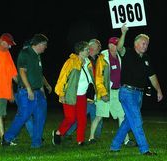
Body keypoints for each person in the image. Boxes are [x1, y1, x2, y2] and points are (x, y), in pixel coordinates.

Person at [110, 25, 163, 155]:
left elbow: (152, 76)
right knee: (137, 120)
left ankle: (115, 145)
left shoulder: (146, 59)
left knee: (129, 122)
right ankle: (144, 149)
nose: (146, 46)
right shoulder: (127, 52)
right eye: (143, 43)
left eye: (147, 44)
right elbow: (119, 48)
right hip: (127, 92)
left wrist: (159, 90)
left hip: (139, 94)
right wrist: (123, 33)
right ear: (136, 43)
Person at [52, 41, 107, 146]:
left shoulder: (87, 62)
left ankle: (80, 141)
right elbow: (62, 78)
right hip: (70, 95)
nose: (89, 51)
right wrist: (61, 94)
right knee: (71, 118)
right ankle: (58, 133)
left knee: (82, 119)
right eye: (87, 49)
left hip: (82, 96)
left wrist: (101, 91)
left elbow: (94, 79)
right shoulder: (70, 62)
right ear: (81, 51)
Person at [88, 31, 136, 146]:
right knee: (99, 116)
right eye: (113, 44)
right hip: (106, 92)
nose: (114, 46)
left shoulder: (120, 56)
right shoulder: (103, 57)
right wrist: (103, 93)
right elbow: (98, 77)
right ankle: (91, 138)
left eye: (116, 44)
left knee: (121, 116)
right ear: (109, 45)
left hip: (117, 92)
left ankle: (126, 140)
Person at [2, 33, 49, 148]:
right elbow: (22, 72)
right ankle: (7, 137)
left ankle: (36, 143)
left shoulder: (38, 56)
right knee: (23, 116)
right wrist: (29, 89)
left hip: (38, 92)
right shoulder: (25, 53)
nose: (45, 47)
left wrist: (42, 89)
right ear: (39, 44)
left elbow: (38, 74)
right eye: (44, 45)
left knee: (40, 117)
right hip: (26, 92)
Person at [65, 39, 104, 139]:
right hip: (85, 94)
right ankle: (67, 132)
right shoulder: (83, 60)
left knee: (97, 115)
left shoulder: (99, 59)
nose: (97, 49)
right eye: (93, 47)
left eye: (98, 47)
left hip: (94, 92)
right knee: (79, 117)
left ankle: (95, 136)